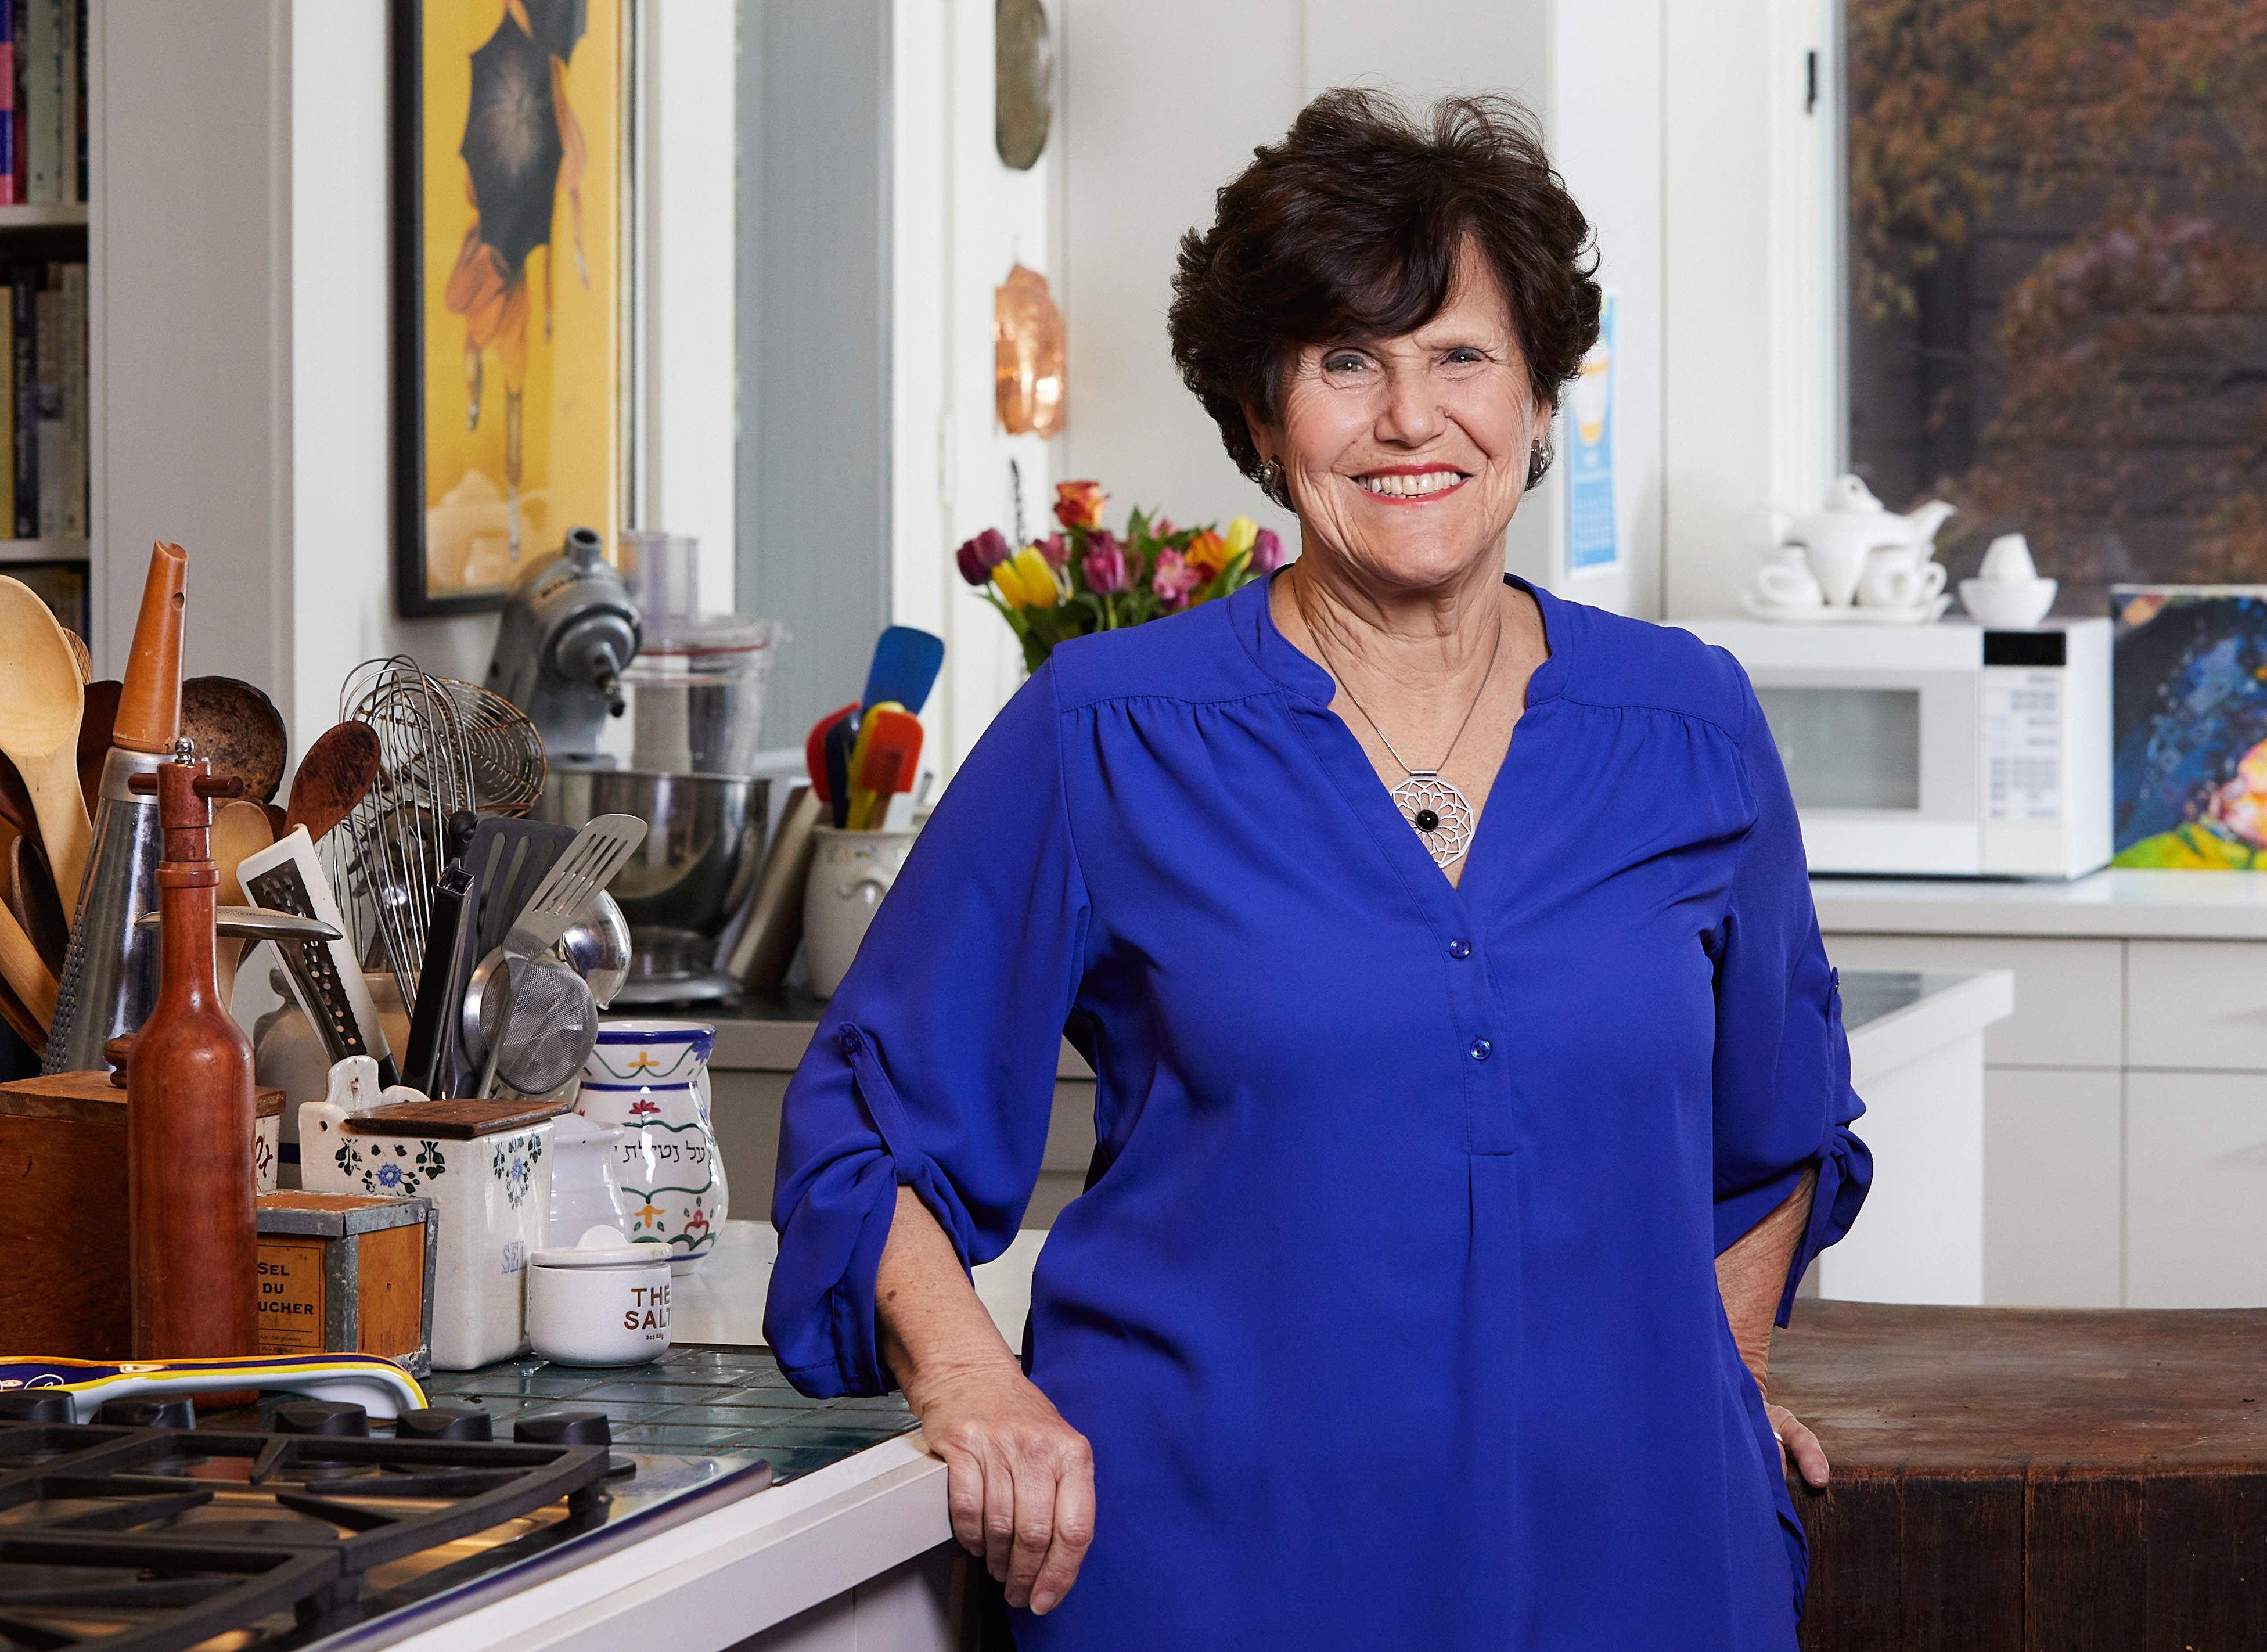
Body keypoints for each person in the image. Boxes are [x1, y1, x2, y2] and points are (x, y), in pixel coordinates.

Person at [765, 89, 1870, 1648]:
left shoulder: (1684, 723)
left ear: (1543, 399)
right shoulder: (1106, 730)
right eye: (1345, 361)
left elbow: (1781, 1132)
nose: (1410, 418)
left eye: (1460, 357)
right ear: (1264, 416)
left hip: (1638, 1565)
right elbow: (873, 1121)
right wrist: (971, 1386)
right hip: (1204, 1568)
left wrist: (1717, 1380)